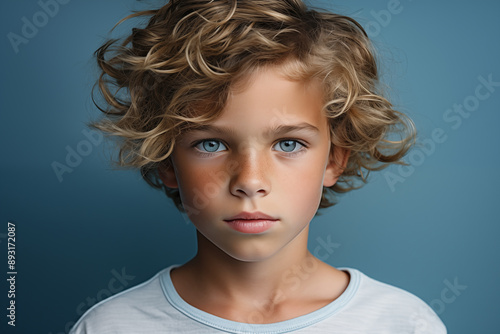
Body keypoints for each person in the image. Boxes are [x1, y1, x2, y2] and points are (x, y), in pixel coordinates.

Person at [71, 0, 446, 332]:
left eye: (288, 144)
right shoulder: (112, 326)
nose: (250, 182)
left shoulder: (401, 323)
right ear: (167, 159)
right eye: (211, 144)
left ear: (334, 159)